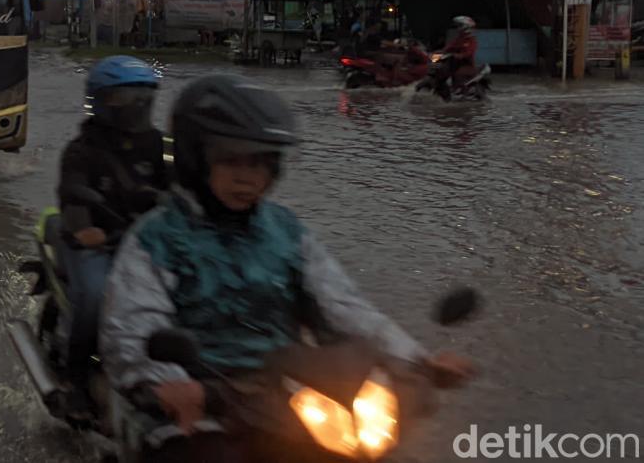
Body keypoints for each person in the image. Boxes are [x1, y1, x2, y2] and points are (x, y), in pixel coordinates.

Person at [100, 75, 473, 461]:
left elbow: (342, 305)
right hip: (203, 399)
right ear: (196, 158)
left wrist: (416, 360)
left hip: (290, 395)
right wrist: (169, 383)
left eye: (261, 163)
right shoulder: (155, 238)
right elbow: (135, 326)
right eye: (232, 160)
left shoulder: (286, 231)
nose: (249, 177)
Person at [57, 55, 168, 416]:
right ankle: (73, 382)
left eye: (142, 98)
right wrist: (85, 228)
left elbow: (185, 188)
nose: (136, 106)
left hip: (147, 243)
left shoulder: (159, 147)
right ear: (101, 101)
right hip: (100, 242)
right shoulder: (82, 149)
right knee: (94, 296)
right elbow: (72, 193)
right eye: (125, 98)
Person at [435, 15, 478, 87]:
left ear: (465, 26)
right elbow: (449, 47)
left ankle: (461, 92)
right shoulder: (459, 38)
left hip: (466, 65)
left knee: (458, 75)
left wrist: (457, 55)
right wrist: (439, 52)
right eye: (457, 26)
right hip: (454, 63)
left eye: (460, 25)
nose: (458, 28)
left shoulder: (471, 40)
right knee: (441, 71)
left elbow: (469, 53)